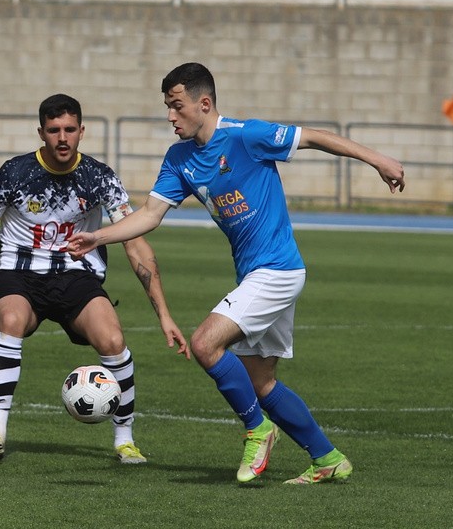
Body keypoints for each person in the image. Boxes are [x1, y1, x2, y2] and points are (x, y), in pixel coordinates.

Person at [68, 62, 405, 484]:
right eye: (167, 108)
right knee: (260, 381)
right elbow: (151, 214)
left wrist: (378, 160)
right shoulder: (180, 159)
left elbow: (315, 137)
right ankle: (328, 458)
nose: (170, 117)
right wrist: (98, 238)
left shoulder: (247, 135)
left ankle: (258, 430)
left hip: (277, 270)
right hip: (256, 276)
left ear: (203, 103)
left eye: (177, 107)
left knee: (205, 344)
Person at [0, 93, 188, 464]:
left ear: (81, 131)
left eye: (69, 130)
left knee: (112, 338)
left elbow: (136, 245)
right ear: (41, 133)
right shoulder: (13, 173)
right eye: (53, 130)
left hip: (77, 277)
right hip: (19, 275)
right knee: (12, 319)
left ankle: (125, 441)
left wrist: (163, 314)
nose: (62, 138)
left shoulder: (99, 177)